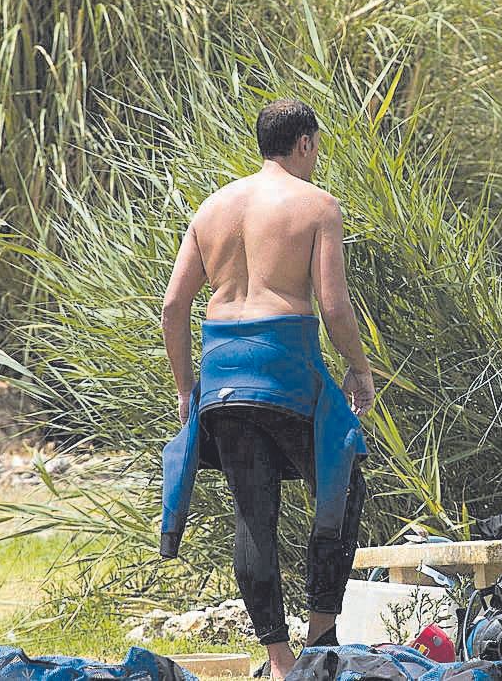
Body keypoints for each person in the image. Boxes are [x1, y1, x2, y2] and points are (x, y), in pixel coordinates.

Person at [160, 99, 375, 680]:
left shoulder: (212, 208)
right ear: (304, 143)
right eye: (317, 145)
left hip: (223, 372)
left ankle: (279, 661)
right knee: (343, 480)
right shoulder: (317, 205)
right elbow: (332, 304)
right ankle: (321, 637)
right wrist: (358, 367)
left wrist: (187, 389)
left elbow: (174, 305)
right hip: (283, 363)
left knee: (253, 515)